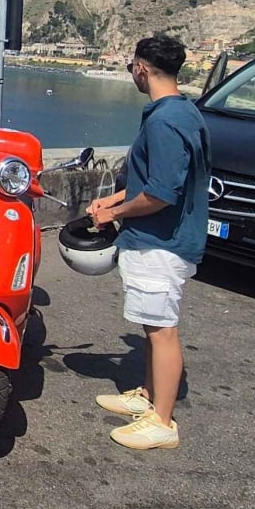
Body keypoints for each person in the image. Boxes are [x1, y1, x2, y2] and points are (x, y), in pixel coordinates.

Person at [86, 34, 210, 451]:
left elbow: (160, 193)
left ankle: (162, 421)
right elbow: (154, 179)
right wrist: (116, 197)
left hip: (162, 242)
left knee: (161, 330)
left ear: (141, 68)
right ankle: (148, 396)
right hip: (165, 238)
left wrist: (113, 214)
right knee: (151, 322)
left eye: (130, 67)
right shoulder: (183, 111)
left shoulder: (164, 122)